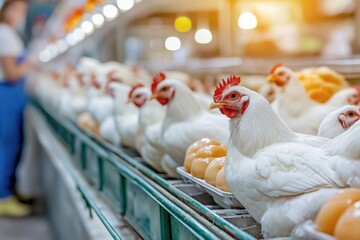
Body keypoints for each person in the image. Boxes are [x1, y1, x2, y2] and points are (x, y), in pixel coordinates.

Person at [0, 0, 31, 217]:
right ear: (7, 8)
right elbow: (12, 73)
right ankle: (3, 196)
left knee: (13, 144)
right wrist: (32, 63)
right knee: (7, 145)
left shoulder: (8, 33)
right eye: (19, 9)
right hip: (7, 94)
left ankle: (9, 190)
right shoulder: (4, 33)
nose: (22, 14)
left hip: (12, 95)